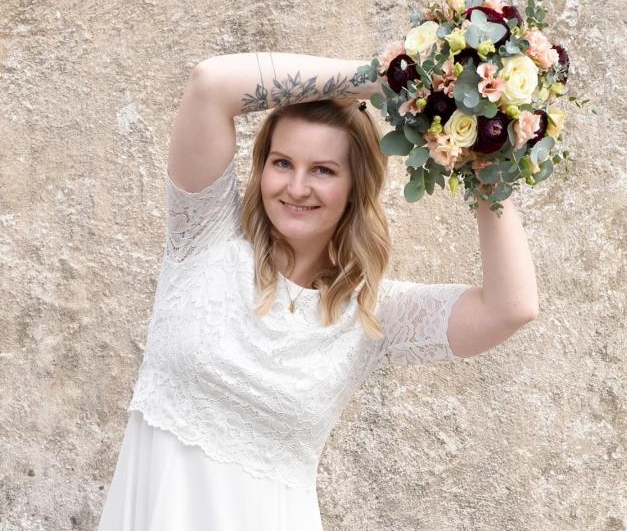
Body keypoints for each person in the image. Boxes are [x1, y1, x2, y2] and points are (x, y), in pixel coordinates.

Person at [96, 52, 540, 530]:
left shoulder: (372, 312)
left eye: (324, 170)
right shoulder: (205, 237)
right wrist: (389, 82)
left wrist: (481, 154)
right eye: (282, 163)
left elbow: (511, 306)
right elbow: (210, 84)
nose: (297, 187)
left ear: (356, 187)